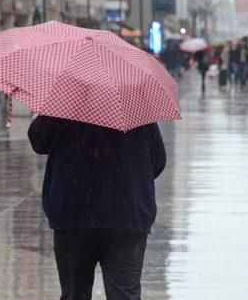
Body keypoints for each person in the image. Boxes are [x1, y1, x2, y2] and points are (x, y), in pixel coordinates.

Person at [28, 117, 166, 300]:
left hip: (74, 214)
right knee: (124, 294)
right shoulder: (135, 108)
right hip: (127, 214)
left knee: (74, 293)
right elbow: (157, 160)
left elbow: (38, 140)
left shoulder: (66, 102)